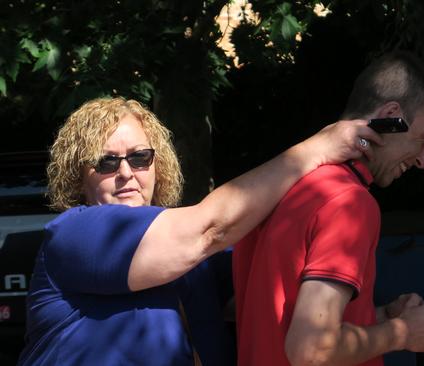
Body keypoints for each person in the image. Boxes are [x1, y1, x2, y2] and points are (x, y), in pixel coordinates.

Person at [17, 97, 381, 366]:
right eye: (106, 161)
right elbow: (209, 229)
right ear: (78, 175)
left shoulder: (199, 260)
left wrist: (386, 321)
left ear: (158, 164)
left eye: (140, 157)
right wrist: (319, 149)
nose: (126, 173)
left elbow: (272, 308)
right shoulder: (75, 234)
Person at [232, 51, 424, 366]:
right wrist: (403, 332)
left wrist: (385, 317)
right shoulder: (350, 204)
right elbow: (311, 349)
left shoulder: (280, 188)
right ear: (391, 115)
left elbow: (279, 320)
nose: (423, 160)